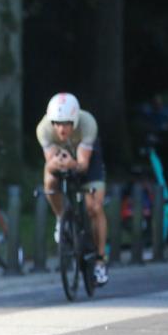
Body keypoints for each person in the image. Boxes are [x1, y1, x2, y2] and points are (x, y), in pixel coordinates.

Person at [37, 92, 109, 285]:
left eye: (66, 123)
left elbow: (83, 165)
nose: (61, 129)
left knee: (94, 207)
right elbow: (51, 163)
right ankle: (62, 217)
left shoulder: (88, 124)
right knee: (49, 181)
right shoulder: (43, 130)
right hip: (62, 157)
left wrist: (73, 164)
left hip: (87, 157)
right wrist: (59, 164)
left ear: (75, 120)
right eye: (57, 123)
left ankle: (100, 261)